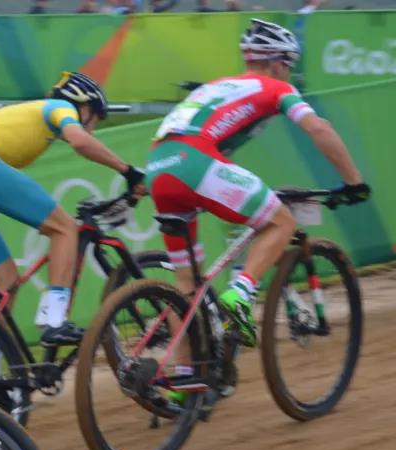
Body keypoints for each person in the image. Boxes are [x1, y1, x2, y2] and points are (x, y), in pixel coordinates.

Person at [145, 18, 369, 369]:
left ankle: (183, 378)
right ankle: (241, 293)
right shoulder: (276, 87)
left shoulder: (218, 86)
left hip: (158, 167)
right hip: (194, 162)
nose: (289, 74)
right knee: (280, 221)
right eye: (289, 66)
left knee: (185, 286)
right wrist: (354, 181)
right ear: (278, 63)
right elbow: (319, 128)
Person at [0, 71, 146, 354]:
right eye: (95, 118)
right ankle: (54, 320)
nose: (93, 128)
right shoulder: (59, 108)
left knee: (7, 283)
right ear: (83, 106)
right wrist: (129, 172)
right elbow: (80, 142)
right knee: (65, 228)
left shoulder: (29, 114)